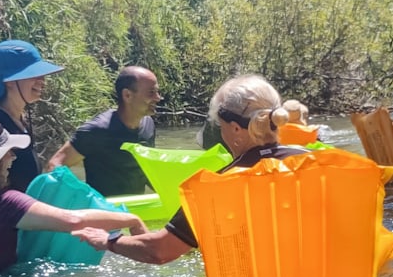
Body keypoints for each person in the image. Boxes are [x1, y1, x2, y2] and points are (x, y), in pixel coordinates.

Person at [74, 75, 309, 264]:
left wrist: (110, 240)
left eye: (220, 126)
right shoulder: (320, 162)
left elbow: (160, 251)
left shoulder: (213, 188)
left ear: (236, 129)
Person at [0, 117, 146, 276]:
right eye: (8, 152)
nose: (13, 157)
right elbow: (73, 220)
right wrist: (131, 219)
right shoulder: (4, 202)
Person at [47, 66, 162, 196]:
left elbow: (147, 171)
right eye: (151, 92)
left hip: (135, 211)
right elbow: (55, 165)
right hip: (104, 211)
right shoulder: (97, 130)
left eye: (157, 92)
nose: (158, 98)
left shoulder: (148, 125)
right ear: (127, 95)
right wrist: (77, 197)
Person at [0, 39, 62, 192]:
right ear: (9, 81)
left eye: (42, 75)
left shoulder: (19, 120)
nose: (42, 81)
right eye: (34, 75)